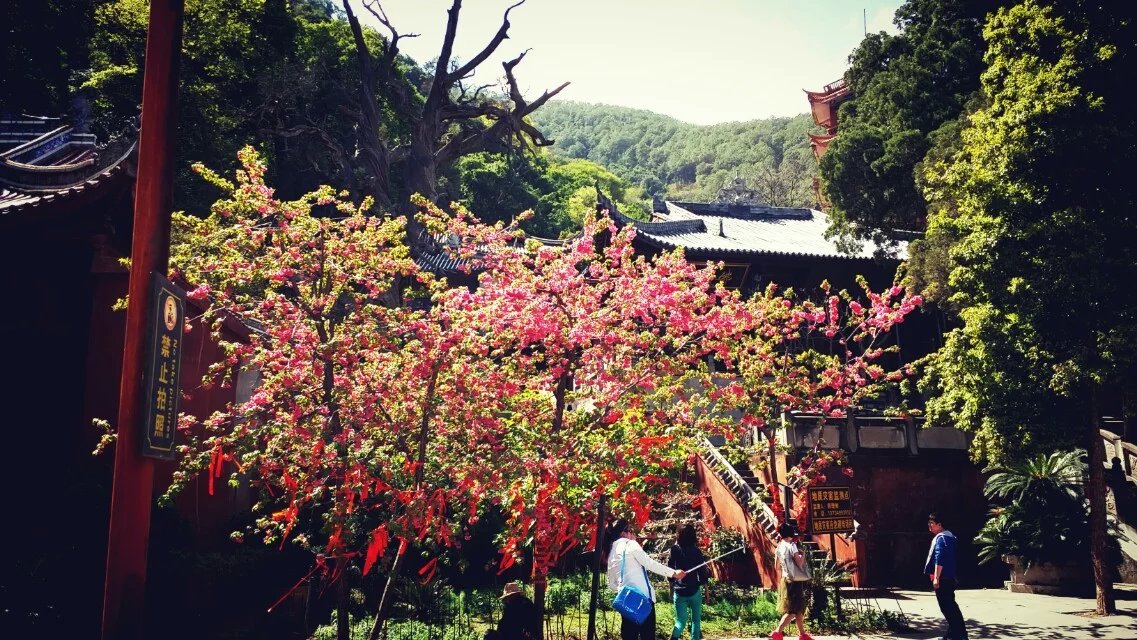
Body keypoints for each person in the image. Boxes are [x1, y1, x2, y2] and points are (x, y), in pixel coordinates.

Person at [606, 518, 687, 640]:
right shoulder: (630, 544)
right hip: (643, 600)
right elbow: (650, 564)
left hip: (625, 601)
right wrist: (673, 573)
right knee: (647, 636)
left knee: (629, 636)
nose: (633, 534)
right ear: (623, 533)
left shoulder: (612, 552)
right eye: (631, 530)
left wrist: (624, 586)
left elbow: (612, 585)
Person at [925, 511, 968, 640]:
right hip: (949, 577)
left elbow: (940, 558)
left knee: (947, 607)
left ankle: (959, 635)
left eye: (932, 523)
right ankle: (955, 633)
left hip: (943, 578)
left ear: (939, 524)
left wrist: (936, 578)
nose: (929, 525)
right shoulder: (950, 537)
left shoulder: (942, 538)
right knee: (950, 606)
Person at [667, 523, 710, 640]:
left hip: (679, 592)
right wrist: (707, 592)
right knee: (696, 620)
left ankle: (673, 638)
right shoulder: (696, 551)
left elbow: (670, 571)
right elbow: (702, 572)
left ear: (679, 535)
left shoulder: (674, 550)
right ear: (693, 536)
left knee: (680, 621)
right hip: (694, 591)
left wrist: (670, 590)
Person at [770, 522, 812, 640]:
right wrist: (803, 555)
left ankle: (802, 634)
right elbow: (800, 563)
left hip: (786, 580)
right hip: (795, 580)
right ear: (791, 533)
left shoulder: (779, 547)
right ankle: (777, 632)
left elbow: (777, 567)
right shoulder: (792, 546)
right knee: (793, 610)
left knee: (798, 609)